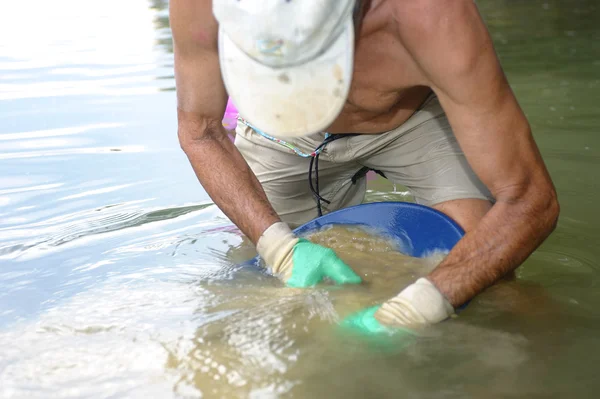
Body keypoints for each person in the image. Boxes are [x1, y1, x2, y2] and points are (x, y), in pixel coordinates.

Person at [169, 0, 559, 334]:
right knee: (266, 283)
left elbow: (529, 199)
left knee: (489, 274)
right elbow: (200, 130)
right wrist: (278, 247)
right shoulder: (201, 6)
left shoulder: (431, 16)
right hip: (277, 126)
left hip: (409, 117)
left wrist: (420, 306)